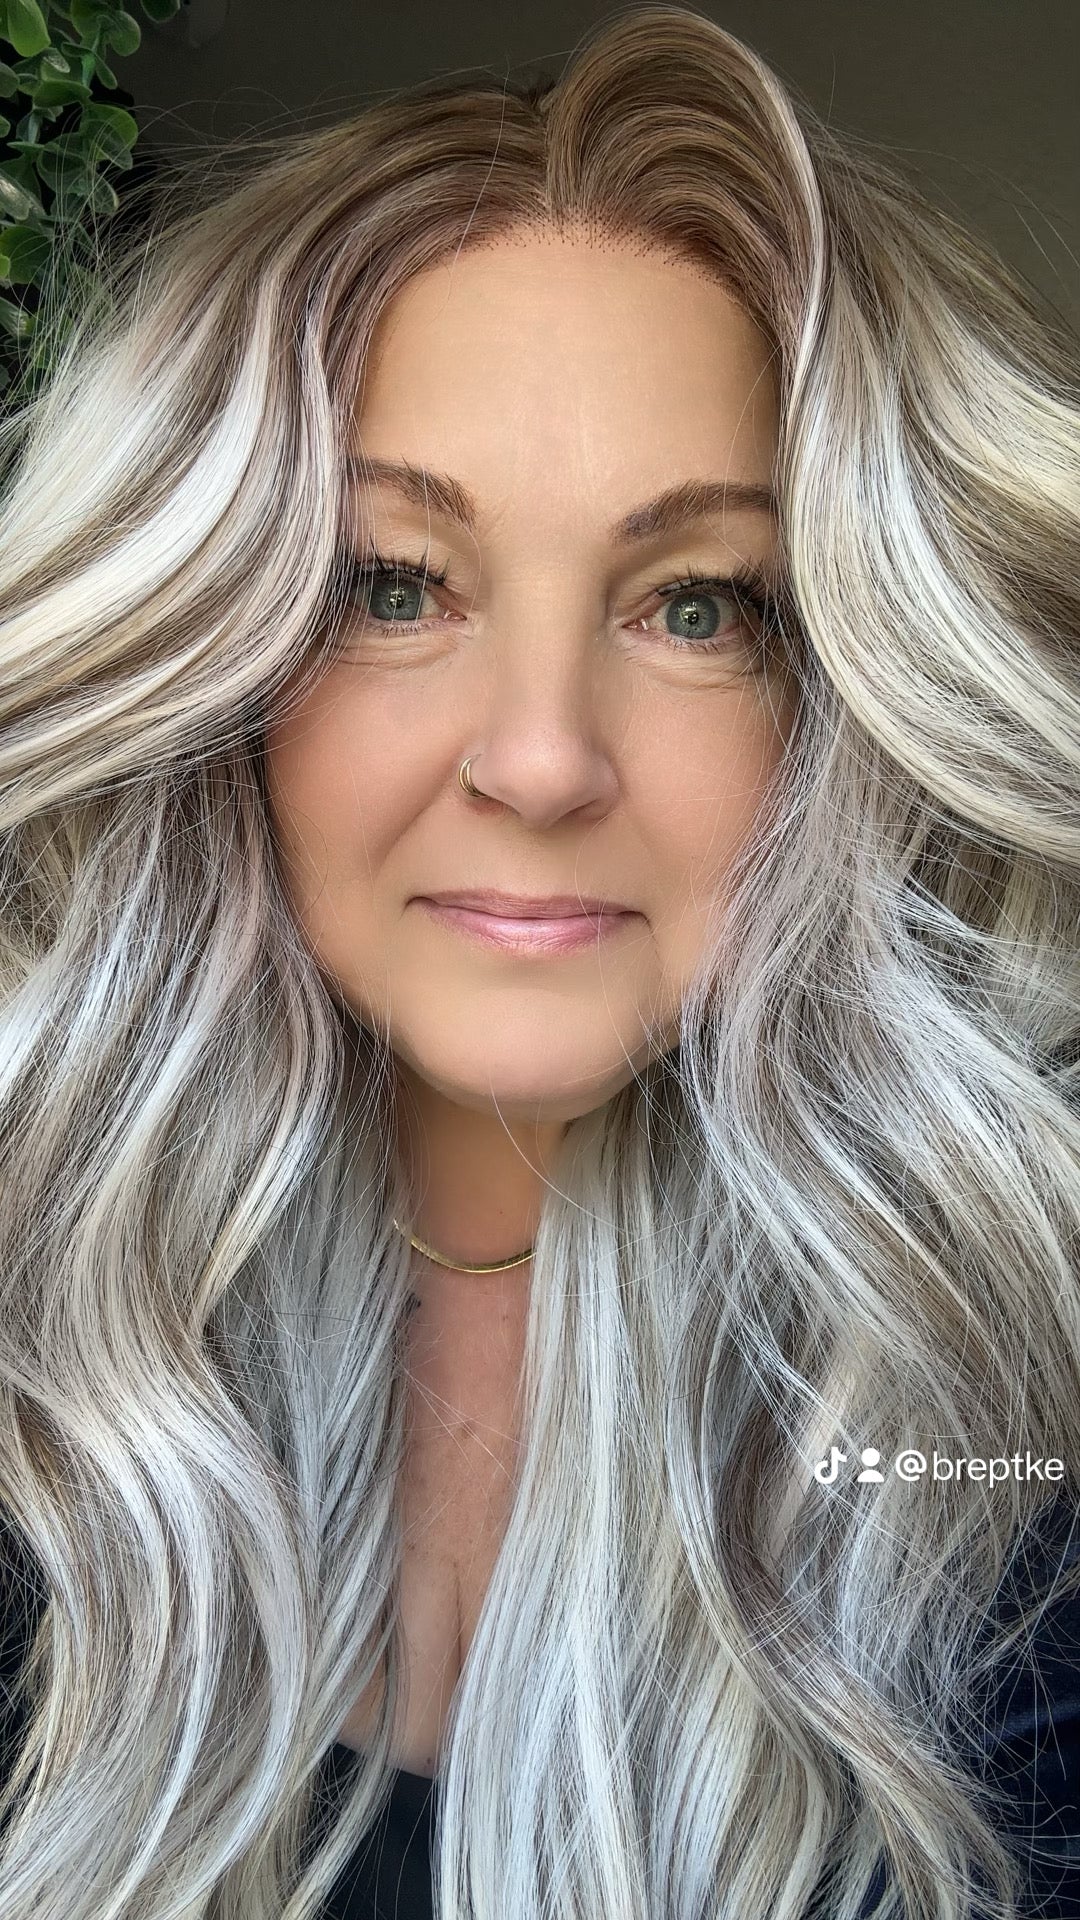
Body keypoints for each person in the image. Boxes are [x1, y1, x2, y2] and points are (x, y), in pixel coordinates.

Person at [0, 6, 1077, 1916]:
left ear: (842, 692)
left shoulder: (992, 1433)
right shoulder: (49, 1362)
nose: (546, 755)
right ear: (210, 655)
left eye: (695, 606)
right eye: (395, 584)